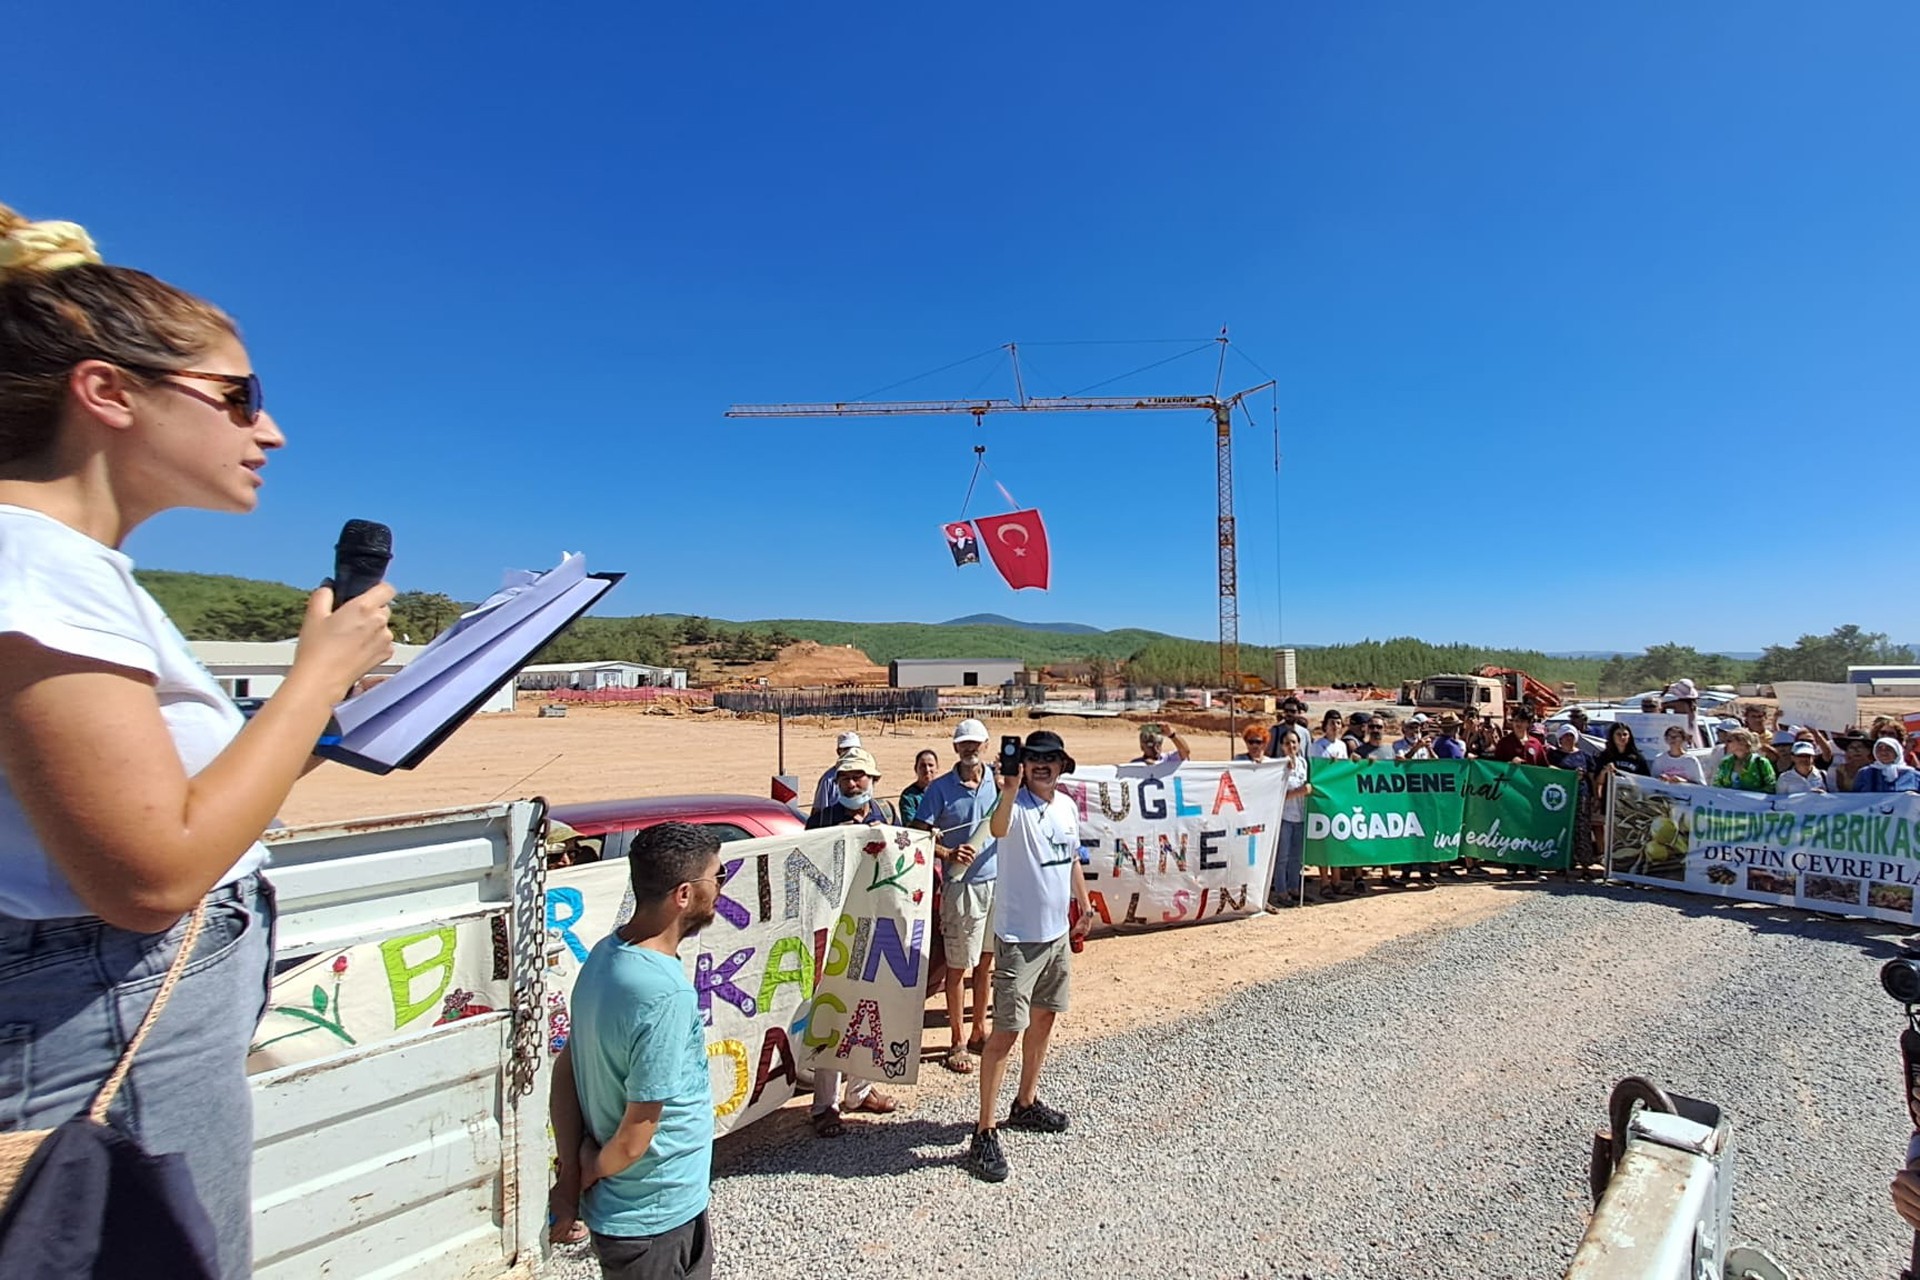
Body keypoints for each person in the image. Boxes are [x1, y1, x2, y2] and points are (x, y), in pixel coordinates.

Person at [0, 203, 396, 1278]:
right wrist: (314, 677)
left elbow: (170, 805)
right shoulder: (36, 569)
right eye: (238, 396)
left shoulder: (64, 570)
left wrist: (322, 711)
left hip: (120, 1011)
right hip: (104, 1027)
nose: (268, 432)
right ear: (107, 391)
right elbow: (149, 872)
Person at [548, 824, 722, 1280]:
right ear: (683, 894)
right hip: (654, 1216)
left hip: (642, 1214)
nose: (720, 889)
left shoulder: (605, 955)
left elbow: (567, 1067)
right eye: (715, 878)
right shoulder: (664, 994)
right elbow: (634, 1138)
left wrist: (570, 1175)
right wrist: (589, 1169)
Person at [964, 730, 1093, 1183]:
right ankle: (984, 1130)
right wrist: (1009, 789)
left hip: (1056, 934)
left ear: (1062, 765)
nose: (1042, 765)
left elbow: (1072, 856)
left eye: (1050, 759)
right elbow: (997, 831)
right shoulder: (1013, 807)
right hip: (1019, 938)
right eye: (1034, 759)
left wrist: (1085, 903)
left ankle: (1025, 1102)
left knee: (1045, 1019)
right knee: (1005, 1034)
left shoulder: (1067, 806)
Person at [802, 749, 899, 1132]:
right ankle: (824, 1105)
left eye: (859, 777)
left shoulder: (886, 818)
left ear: (873, 781)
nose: (852, 783)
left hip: (873, 929)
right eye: (845, 778)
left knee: (868, 1011)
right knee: (833, 1014)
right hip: (835, 931)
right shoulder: (821, 820)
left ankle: (860, 1091)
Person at [910, 721, 999, 1075]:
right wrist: (946, 854)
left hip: (997, 883)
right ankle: (957, 1040)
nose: (969, 749)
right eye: (963, 744)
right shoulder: (940, 789)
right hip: (961, 887)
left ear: (986, 744)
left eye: (975, 743)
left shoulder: (999, 783)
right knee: (958, 965)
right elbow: (918, 834)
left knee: (986, 962)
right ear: (955, 748)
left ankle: (979, 1031)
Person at [1265, 727, 1312, 909]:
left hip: (1300, 816)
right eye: (1287, 743)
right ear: (1282, 747)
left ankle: (1294, 887)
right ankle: (1281, 890)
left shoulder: (1303, 763)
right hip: (1285, 817)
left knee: (1296, 857)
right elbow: (1278, 794)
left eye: (1294, 742)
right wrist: (1299, 792)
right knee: (1282, 857)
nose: (1291, 746)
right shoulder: (1279, 766)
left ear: (1299, 745)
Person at [812, 730, 863, 813]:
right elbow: (819, 811)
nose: (851, 753)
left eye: (855, 749)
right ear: (839, 752)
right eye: (847, 749)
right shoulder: (828, 779)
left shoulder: (865, 776)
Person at [1853, 738, 1920, 793]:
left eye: (1888, 748)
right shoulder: (1865, 773)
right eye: (1879, 748)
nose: (1883, 752)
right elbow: (1856, 798)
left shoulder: (1913, 775)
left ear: (1897, 752)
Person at [899, 748, 938, 824]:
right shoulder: (908, 797)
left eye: (931, 765)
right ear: (916, 769)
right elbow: (911, 824)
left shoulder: (943, 791)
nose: (927, 769)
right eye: (923, 766)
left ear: (937, 768)